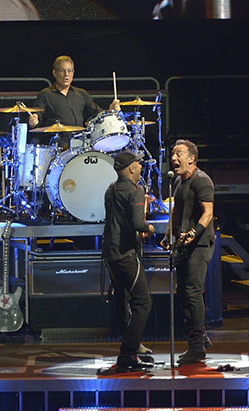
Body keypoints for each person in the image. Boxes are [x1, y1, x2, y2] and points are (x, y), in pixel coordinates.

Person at [160, 139, 215, 364]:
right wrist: (168, 235)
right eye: (173, 154)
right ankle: (200, 336)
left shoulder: (202, 180)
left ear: (191, 158)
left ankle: (196, 346)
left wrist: (194, 233)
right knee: (183, 292)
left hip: (199, 245)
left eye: (178, 154)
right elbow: (176, 212)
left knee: (192, 292)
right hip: (184, 244)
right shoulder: (179, 181)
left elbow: (208, 212)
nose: (173, 158)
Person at [102, 150, 155, 369]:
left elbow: (119, 219)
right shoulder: (135, 190)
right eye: (138, 164)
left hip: (110, 252)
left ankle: (132, 345)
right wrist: (149, 228)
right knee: (143, 301)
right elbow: (137, 224)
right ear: (132, 168)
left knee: (122, 299)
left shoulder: (111, 189)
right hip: (126, 253)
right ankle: (128, 352)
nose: (141, 167)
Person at [28, 55, 120, 147]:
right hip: (56, 144)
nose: (66, 74)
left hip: (80, 144)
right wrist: (33, 121)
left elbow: (96, 113)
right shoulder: (45, 94)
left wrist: (110, 111)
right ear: (54, 73)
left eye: (69, 71)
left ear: (73, 72)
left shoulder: (81, 94)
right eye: (62, 71)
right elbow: (38, 116)